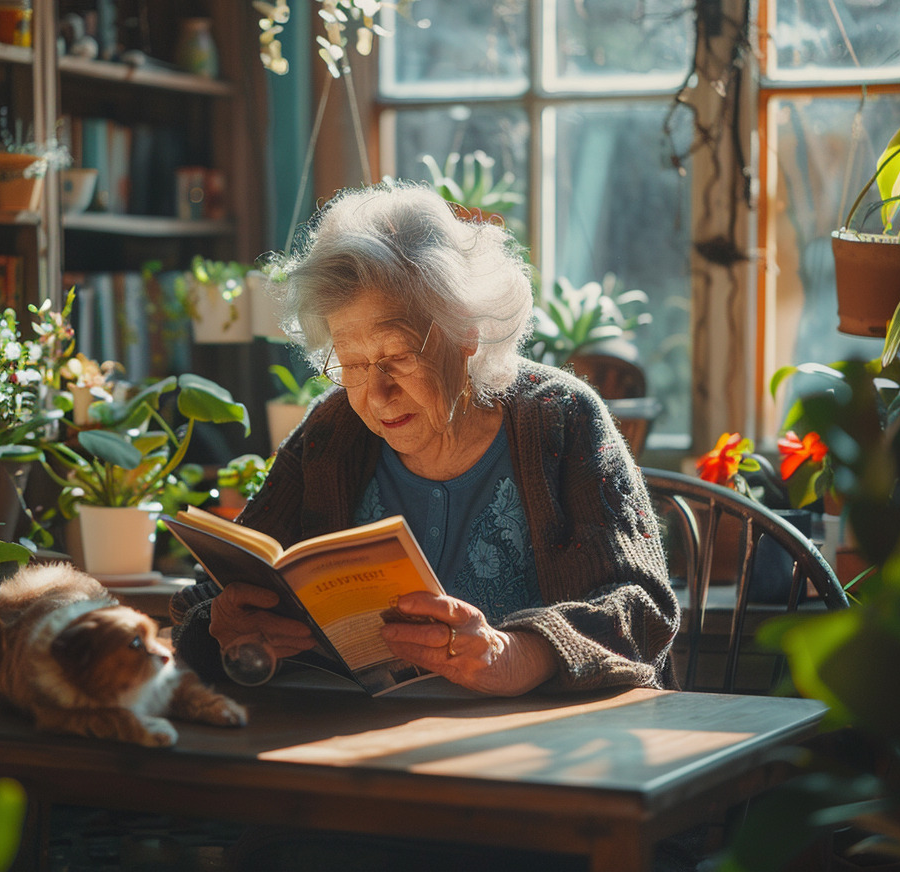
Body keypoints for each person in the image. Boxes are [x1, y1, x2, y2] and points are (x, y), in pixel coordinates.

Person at [171, 181, 679, 697]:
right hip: (363, 746)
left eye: (398, 357)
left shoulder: (560, 417)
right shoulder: (332, 431)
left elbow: (643, 607)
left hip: (551, 745)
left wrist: (519, 653)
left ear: (467, 334)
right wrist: (223, 628)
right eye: (351, 363)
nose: (378, 394)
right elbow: (207, 601)